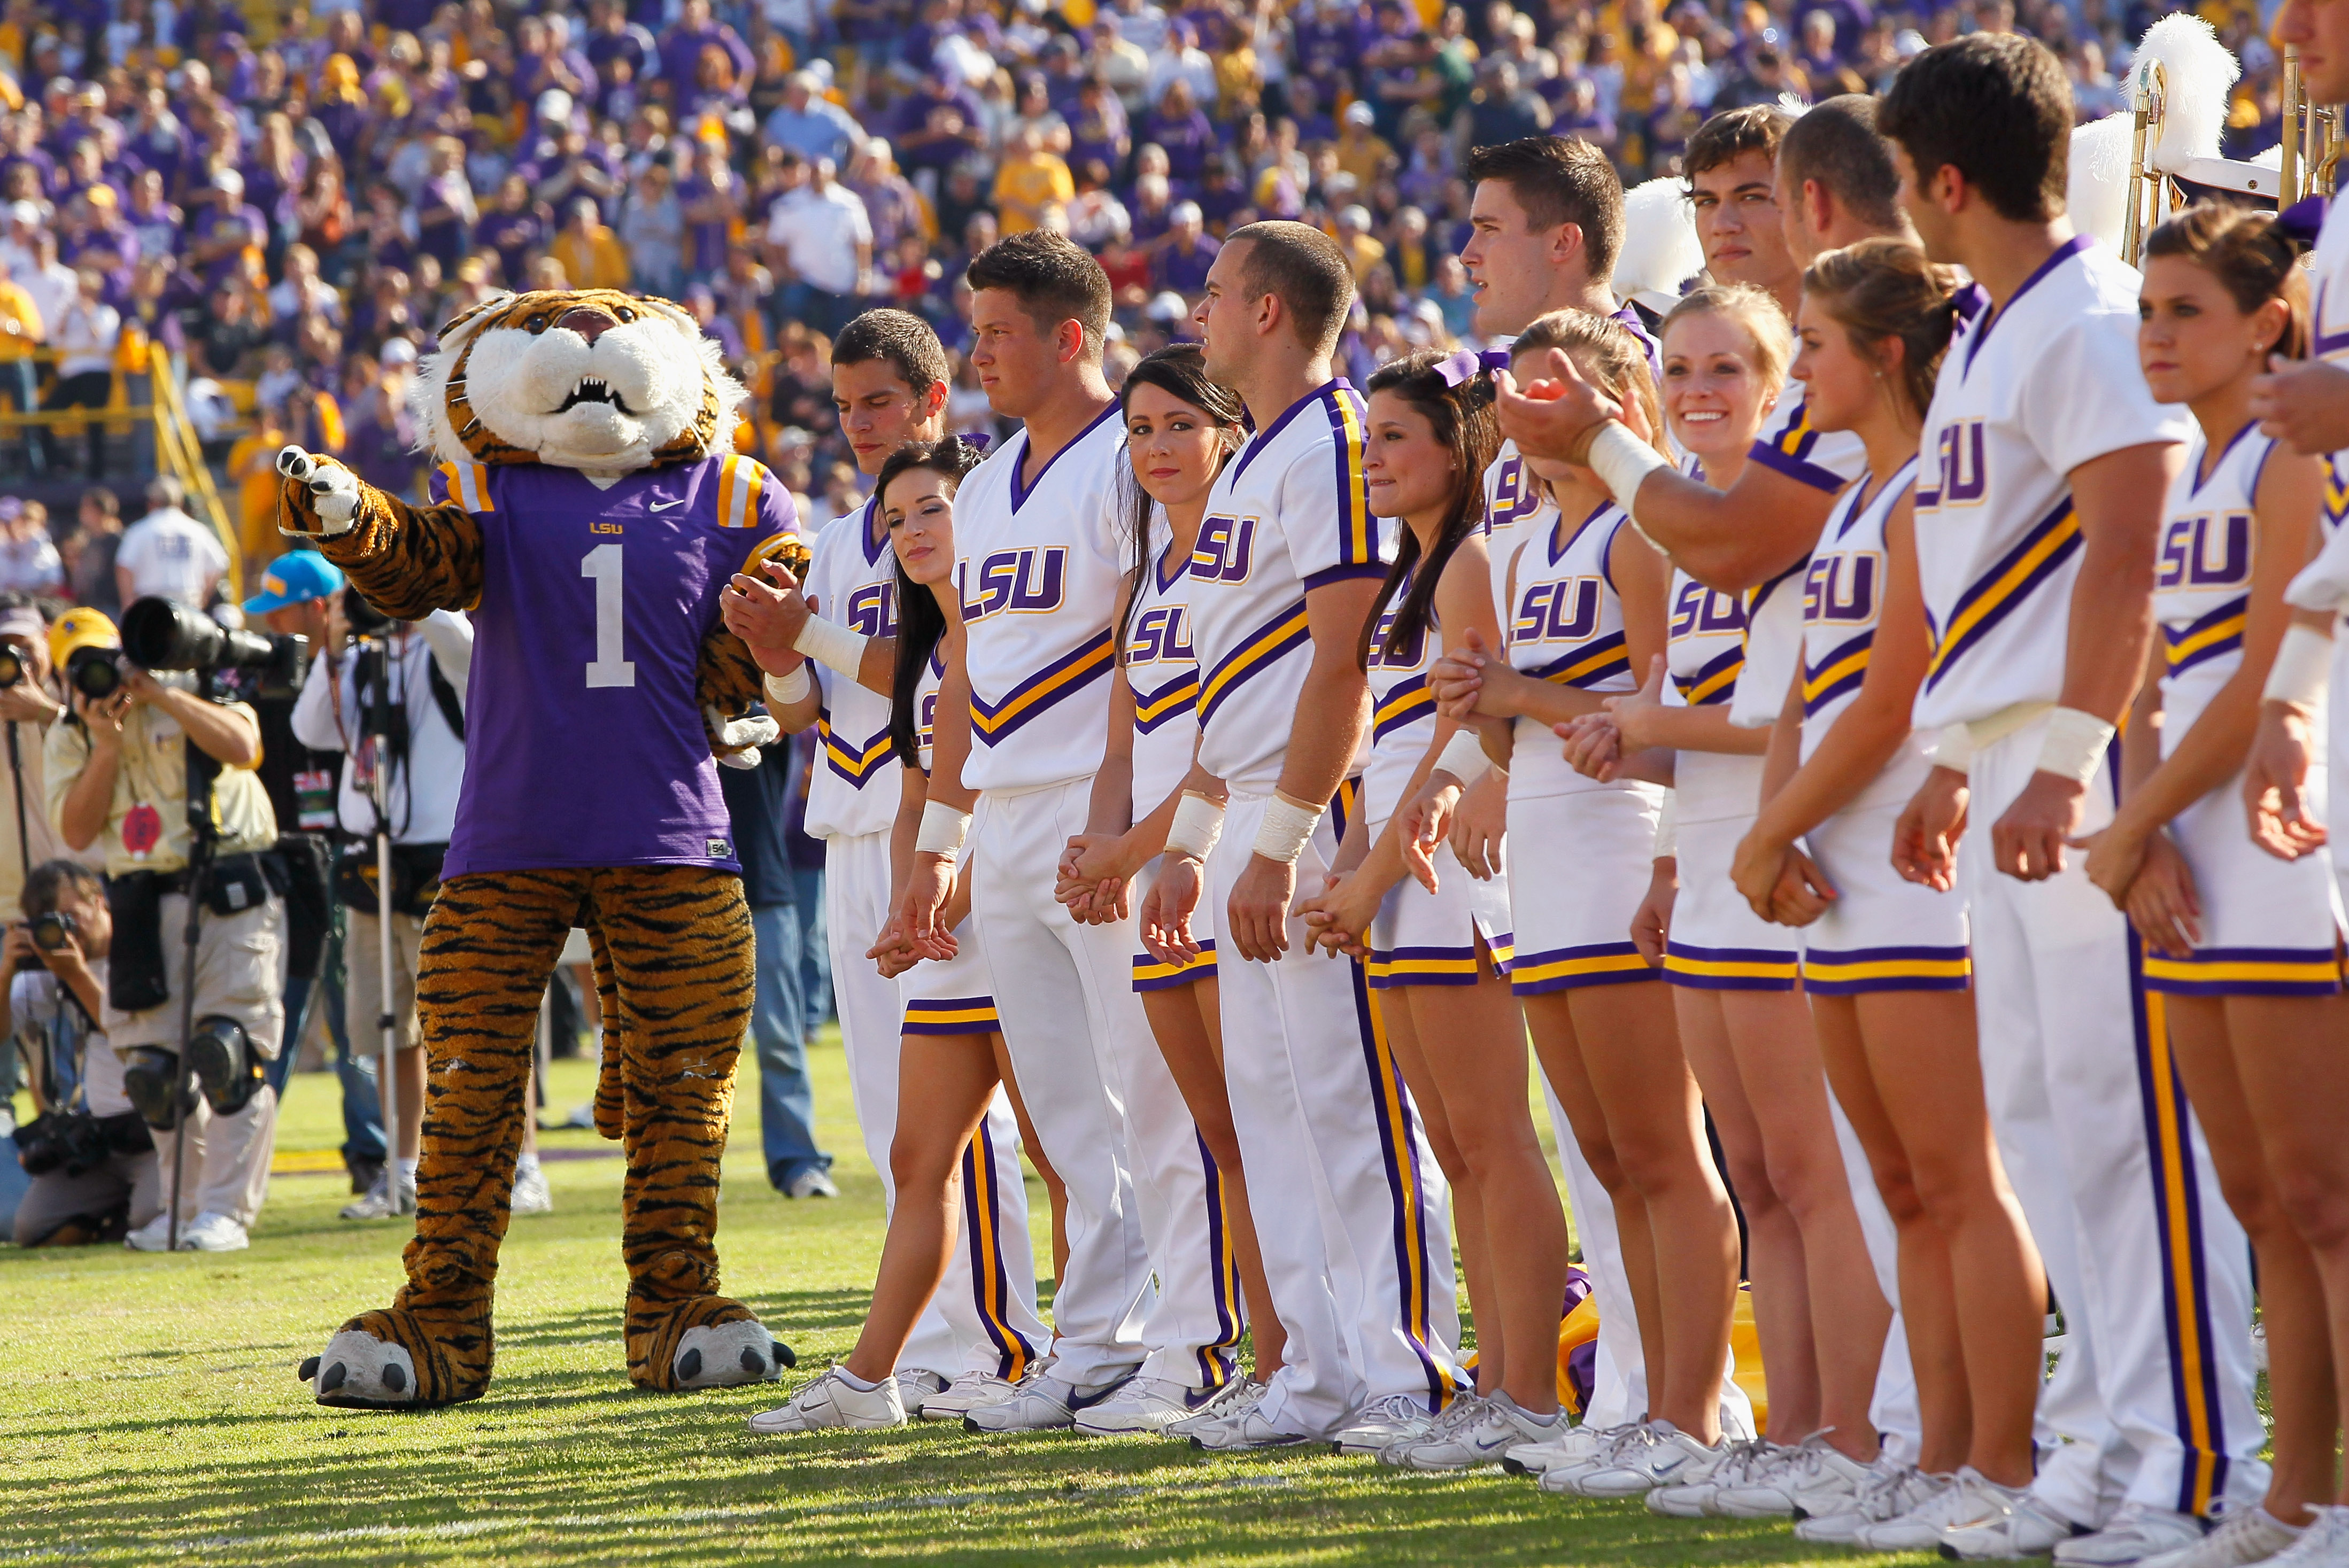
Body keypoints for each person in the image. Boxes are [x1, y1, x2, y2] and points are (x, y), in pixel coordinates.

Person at [1879, 36, 2266, 1559]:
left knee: (2126, 1122)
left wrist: (2061, 757)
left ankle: (2195, 1459)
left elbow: (2134, 543)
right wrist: (1948, 758)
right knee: (2044, 1121)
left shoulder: (2092, 312)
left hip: (2082, 755)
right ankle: (2108, 1444)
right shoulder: (1988, 329)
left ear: (1944, 180)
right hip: (2005, 757)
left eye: (1902, 178)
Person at [1729, 238, 2050, 1549]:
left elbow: (1891, 704)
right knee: (1897, 1186)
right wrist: (1776, 833)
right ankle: (1933, 1449)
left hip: (1912, 869)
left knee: (1957, 1177)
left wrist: (1765, 841)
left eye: (1811, 343)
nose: (1794, 364)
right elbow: (1806, 700)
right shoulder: (1855, 498)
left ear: (1886, 356)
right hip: (1833, 875)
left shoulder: (1925, 494)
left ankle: (2004, 1459)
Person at [894, 231, 1239, 1436]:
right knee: (1059, 1112)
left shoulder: (1127, 460)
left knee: (1152, 1093)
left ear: (1069, 336)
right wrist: (944, 834)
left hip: (1109, 817)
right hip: (1006, 815)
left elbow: (1143, 660)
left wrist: (1129, 828)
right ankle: (1095, 1343)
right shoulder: (982, 486)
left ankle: (1194, 1344)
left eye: (995, 332)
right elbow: (969, 670)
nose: (977, 353)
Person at [1563, 279, 1896, 1515]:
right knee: (1753, 1174)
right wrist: (1627, 760)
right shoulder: (1678, 531)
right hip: (1701, 866)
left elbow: (1783, 719)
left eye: (1727, 370)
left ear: (1780, 387)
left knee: (1809, 1172)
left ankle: (1843, 1432)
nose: (1699, 392)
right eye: (1682, 371)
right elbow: (1688, 721)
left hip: (1779, 866)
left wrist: (1646, 721)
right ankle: (1792, 1431)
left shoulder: (1786, 523)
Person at [1431, 309, 1740, 1497]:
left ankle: (1695, 1408)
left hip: (1623, 847)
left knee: (1665, 1152)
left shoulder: (1637, 533)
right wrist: (1486, 707)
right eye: (1520, 384)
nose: (1529, 403)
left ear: (1618, 393)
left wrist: (1518, 691)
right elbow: (1520, 738)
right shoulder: (1510, 546)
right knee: (1606, 1158)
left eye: (1557, 381)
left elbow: (1657, 736)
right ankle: (1640, 1402)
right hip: (1541, 863)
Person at [2078, 205, 2342, 1568]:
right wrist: (2137, 825)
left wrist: (2133, 829)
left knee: (2324, 1193)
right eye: (2147, 312)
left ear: (2268, 326)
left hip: (2275, 850)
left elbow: (2256, 681)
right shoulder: (2192, 467)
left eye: (2184, 311)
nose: (2156, 336)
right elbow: (2149, 677)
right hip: (2182, 856)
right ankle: (2292, 1495)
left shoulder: (2290, 468)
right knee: (2256, 1199)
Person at [1174, 220, 1465, 1453]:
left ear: (1270, 311)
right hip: (1248, 805)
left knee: (1350, 1101)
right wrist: (1204, 834)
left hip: (1309, 811)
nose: (1196, 312)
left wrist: (1286, 832)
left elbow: (1340, 657)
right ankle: (1316, 1369)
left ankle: (1409, 1363)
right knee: (1274, 1104)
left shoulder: (1332, 435)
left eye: (1213, 292)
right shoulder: (1249, 454)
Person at [727, 308, 1045, 1422]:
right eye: (846, 402)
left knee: (978, 1111)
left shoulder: (963, 508)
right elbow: (812, 708)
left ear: (930, 401)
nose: (859, 423)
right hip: (853, 820)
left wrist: (804, 637)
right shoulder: (830, 534)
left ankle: (1002, 1337)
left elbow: (940, 662)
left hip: (946, 830)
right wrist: (775, 657)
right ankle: (941, 1337)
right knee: (888, 1117)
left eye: (879, 402)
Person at [1293, 347, 1570, 1469]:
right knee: (1452, 1143)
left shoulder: (1465, 565)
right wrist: (1352, 853)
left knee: (1493, 1135)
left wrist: (1373, 864)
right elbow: (1397, 731)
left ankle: (1526, 1393)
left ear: (1457, 449)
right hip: (1396, 866)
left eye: (1397, 440)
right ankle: (1489, 1385)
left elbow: (1467, 729)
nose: (1376, 463)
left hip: (1445, 868)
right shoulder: (1410, 573)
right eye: (1369, 446)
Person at [1052, 345, 1290, 1415]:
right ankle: (1260, 1362)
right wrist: (1099, 849)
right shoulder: (1146, 571)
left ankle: (1304, 1359)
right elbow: (1122, 742)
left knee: (1274, 1122)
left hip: (1222, 864)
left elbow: (1232, 749)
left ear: (1230, 432)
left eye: (1178, 426)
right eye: (1140, 429)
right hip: (1155, 880)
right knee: (1219, 1135)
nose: (1155, 447)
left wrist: (1141, 849)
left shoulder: (1253, 560)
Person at [45, 607, 285, 1254]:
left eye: (107, 659)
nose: (100, 677)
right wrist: (106, 745)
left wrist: (163, 695)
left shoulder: (199, 685)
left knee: (227, 1054)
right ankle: (182, 1213)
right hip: (143, 901)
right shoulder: (72, 734)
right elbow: (75, 831)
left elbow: (244, 749)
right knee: (154, 1075)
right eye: (81, 669)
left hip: (229, 887)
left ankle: (226, 1213)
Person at [5, 860, 157, 1247]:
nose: (66, 931)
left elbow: (132, 1039)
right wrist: (6, 973)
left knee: (154, 1217)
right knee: (31, 1229)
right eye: (52, 923)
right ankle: (120, 1219)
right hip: (102, 1136)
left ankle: (132, 1215)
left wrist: (76, 975)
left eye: (72, 916)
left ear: (101, 901)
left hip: (157, 1134)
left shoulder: (140, 950)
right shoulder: (48, 969)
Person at [0, 598, 66, 925]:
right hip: (7, 915)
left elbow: (112, 744)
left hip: (76, 905)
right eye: (3, 650)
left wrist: (45, 713)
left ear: (48, 639)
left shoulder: (80, 693)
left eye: (25, 648)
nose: (17, 662)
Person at [116, 478, 229, 610]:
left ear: (151, 502)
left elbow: (124, 565)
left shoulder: (140, 530)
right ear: (179, 502)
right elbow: (219, 563)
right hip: (188, 601)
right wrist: (204, 595)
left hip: (150, 601)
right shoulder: (197, 530)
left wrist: (128, 600)